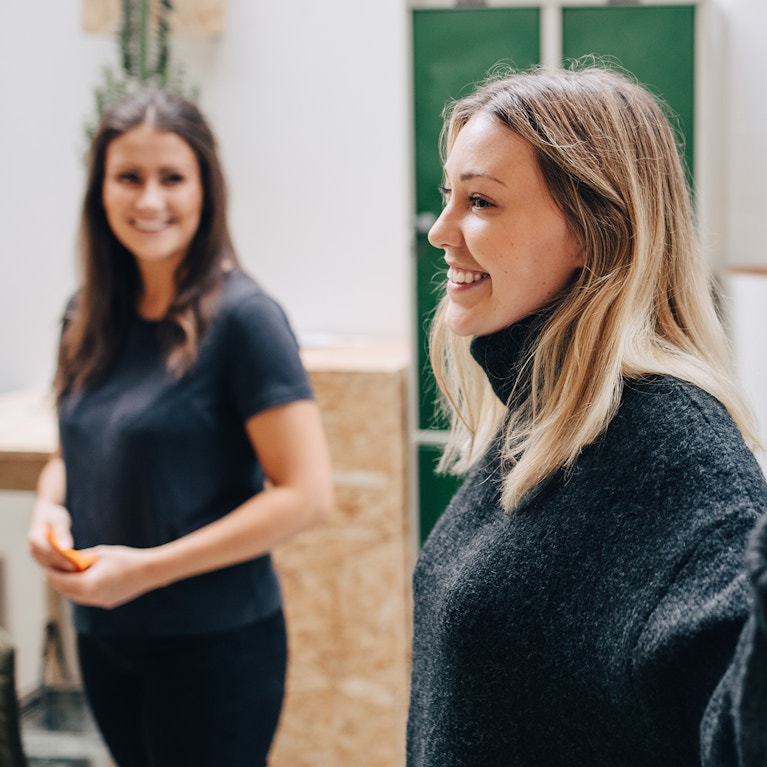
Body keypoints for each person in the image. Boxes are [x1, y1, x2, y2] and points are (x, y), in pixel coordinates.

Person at [407, 64, 767, 766]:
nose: (440, 230)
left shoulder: (674, 453)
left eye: (479, 201)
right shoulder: (549, 409)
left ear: (590, 233)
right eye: (447, 196)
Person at [28, 89, 334, 767]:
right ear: (100, 189)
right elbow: (73, 448)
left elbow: (307, 495)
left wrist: (146, 571)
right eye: (128, 177)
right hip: (106, 639)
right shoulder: (85, 312)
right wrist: (49, 508)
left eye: (172, 177)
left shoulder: (245, 320)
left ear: (205, 188)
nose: (149, 201)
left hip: (214, 648)